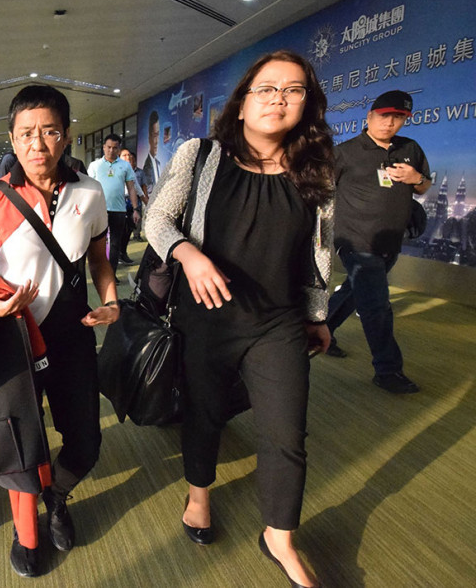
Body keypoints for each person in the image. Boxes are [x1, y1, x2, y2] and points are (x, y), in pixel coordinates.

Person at [145, 50, 335, 588]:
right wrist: (187, 252)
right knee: (204, 413)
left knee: (286, 432)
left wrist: (317, 315)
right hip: (206, 315)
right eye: (267, 88)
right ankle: (199, 495)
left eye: (293, 90)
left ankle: (280, 536)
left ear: (307, 103)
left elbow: (320, 250)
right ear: (244, 100)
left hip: (278, 321)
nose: (279, 98)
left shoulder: (315, 169)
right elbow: (157, 218)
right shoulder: (200, 155)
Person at [0, 84, 119, 577]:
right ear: (12, 140)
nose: (39, 144)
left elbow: (99, 259)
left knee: (86, 442)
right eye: (27, 134)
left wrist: (112, 299)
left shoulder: (90, 192)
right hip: (14, 337)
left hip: (73, 333)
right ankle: (26, 532)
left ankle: (56, 497)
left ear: (67, 135)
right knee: (21, 443)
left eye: (50, 132)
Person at [325, 90, 431, 393]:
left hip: (390, 242)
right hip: (355, 240)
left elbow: (424, 187)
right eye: (385, 115)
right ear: (369, 116)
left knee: (356, 293)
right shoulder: (344, 152)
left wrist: (416, 179)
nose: (391, 122)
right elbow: (318, 190)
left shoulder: (410, 148)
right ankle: (387, 369)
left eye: (398, 117)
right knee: (377, 306)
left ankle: (324, 330)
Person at [87, 134, 140, 274]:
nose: (111, 150)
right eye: (108, 147)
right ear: (104, 147)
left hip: (119, 211)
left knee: (115, 244)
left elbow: (131, 188)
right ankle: (98, 271)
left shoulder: (125, 166)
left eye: (115, 148)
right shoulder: (95, 165)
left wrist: (135, 209)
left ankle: (111, 273)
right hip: (99, 210)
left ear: (119, 149)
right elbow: (88, 189)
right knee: (98, 243)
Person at [119, 148, 149, 250]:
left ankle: (123, 252)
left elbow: (138, 188)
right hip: (117, 202)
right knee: (119, 230)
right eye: (124, 155)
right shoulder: (114, 169)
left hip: (130, 202)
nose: (128, 157)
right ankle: (117, 253)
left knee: (129, 227)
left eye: (129, 155)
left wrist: (147, 203)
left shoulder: (130, 171)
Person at [143, 110, 164, 193]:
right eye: (154, 135)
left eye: (158, 135)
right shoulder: (146, 168)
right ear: (149, 138)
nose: (156, 141)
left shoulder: (158, 163)